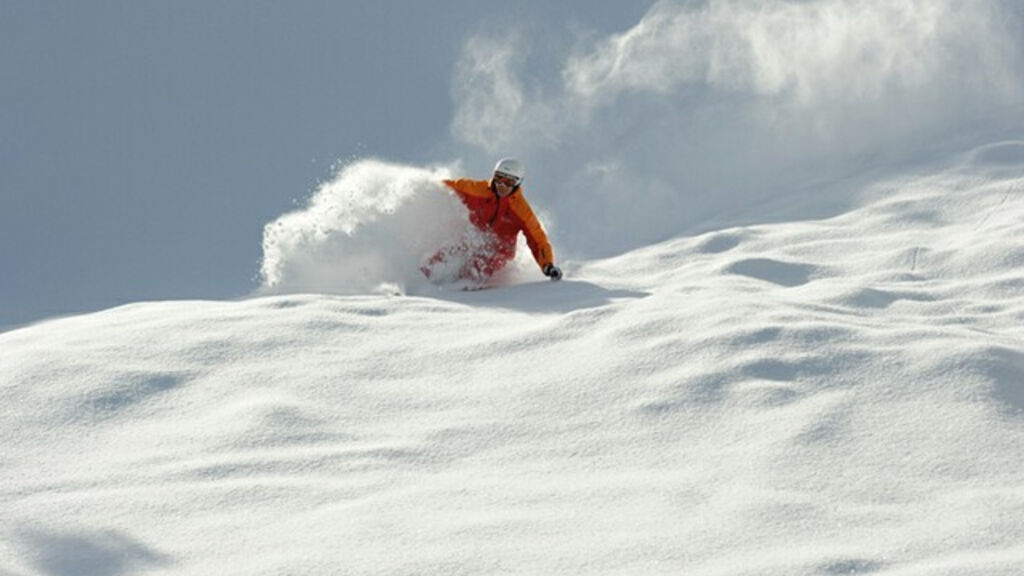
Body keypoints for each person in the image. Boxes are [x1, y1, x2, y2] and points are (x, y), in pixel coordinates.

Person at [423, 158, 562, 284]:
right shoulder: (477, 190)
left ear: (517, 184)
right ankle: (421, 279)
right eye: (499, 178)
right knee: (451, 250)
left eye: (509, 182)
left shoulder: (521, 209)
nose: (502, 185)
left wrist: (548, 265)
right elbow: (448, 186)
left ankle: (461, 292)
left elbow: (538, 240)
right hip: (473, 237)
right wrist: (426, 188)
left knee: (476, 269)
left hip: (499, 250)